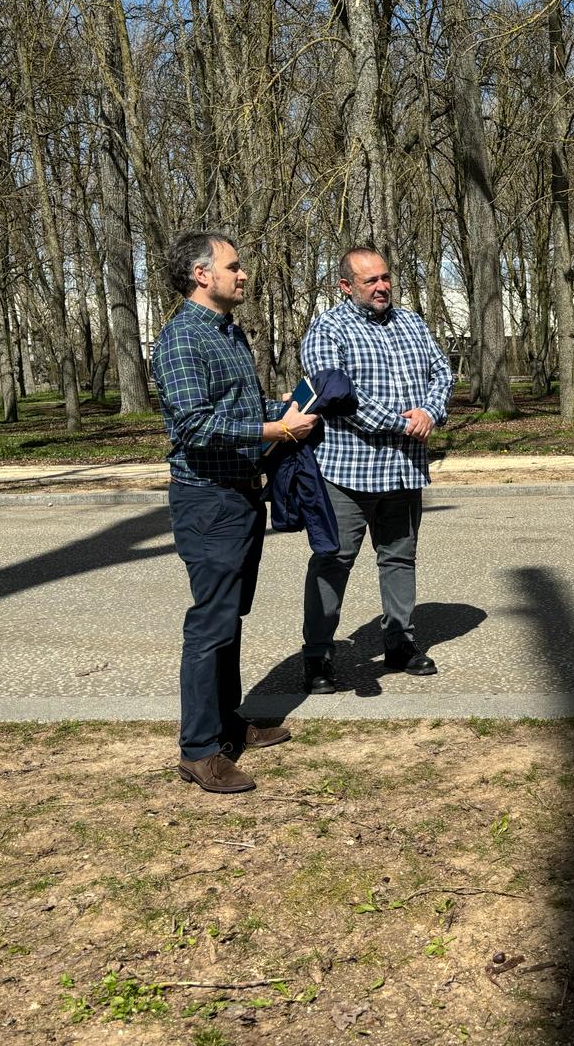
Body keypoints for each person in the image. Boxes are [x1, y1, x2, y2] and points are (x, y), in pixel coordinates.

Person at [152, 232, 318, 794]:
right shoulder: (181, 341)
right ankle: (199, 750)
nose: (243, 274)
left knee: (229, 619)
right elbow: (193, 428)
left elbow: (236, 409)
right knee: (210, 623)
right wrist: (273, 430)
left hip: (245, 493)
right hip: (208, 500)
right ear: (203, 275)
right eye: (234, 266)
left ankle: (228, 725)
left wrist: (287, 410)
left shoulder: (227, 333)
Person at [299, 246, 454, 691]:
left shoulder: (411, 323)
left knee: (400, 558)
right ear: (346, 286)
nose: (382, 286)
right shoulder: (328, 327)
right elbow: (334, 393)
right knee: (333, 561)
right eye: (370, 281)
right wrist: (400, 422)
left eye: (385, 277)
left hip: (404, 469)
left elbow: (442, 373)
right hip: (347, 472)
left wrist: (428, 411)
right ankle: (319, 656)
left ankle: (400, 642)